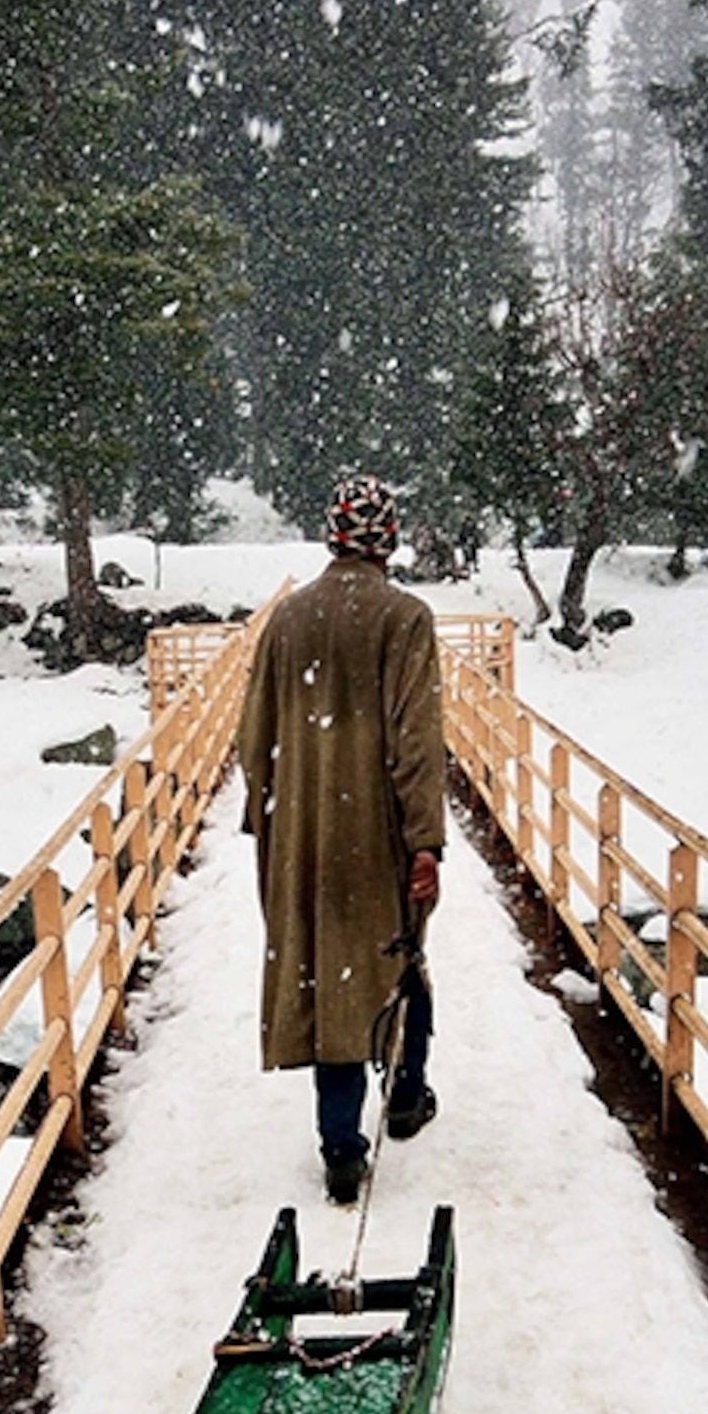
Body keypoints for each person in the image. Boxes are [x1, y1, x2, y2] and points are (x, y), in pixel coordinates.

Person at [236, 475, 446, 1204]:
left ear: (333, 536)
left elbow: (250, 738)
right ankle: (408, 1094)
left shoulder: (287, 620)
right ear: (388, 539)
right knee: (399, 961)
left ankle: (340, 1145)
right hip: (377, 834)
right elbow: (415, 741)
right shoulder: (405, 618)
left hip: (299, 836)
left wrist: (272, 817)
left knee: (331, 977)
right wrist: (425, 840)